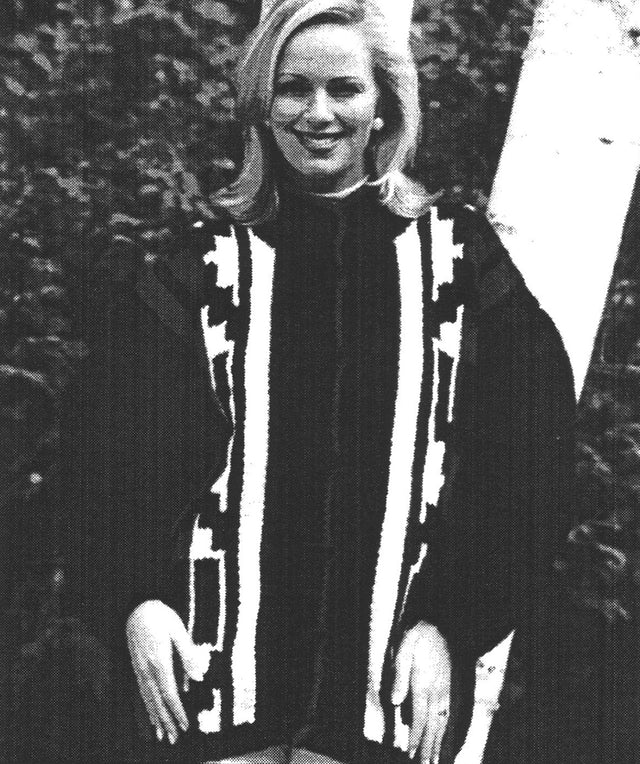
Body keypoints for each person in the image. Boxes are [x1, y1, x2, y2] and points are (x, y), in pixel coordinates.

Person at [60, 1, 575, 762]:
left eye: (345, 88)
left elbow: (531, 456)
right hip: (208, 681)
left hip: (386, 690)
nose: (319, 112)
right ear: (262, 106)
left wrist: (454, 622)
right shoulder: (197, 268)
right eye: (294, 88)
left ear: (384, 105)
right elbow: (100, 457)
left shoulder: (456, 261)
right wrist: (131, 601)